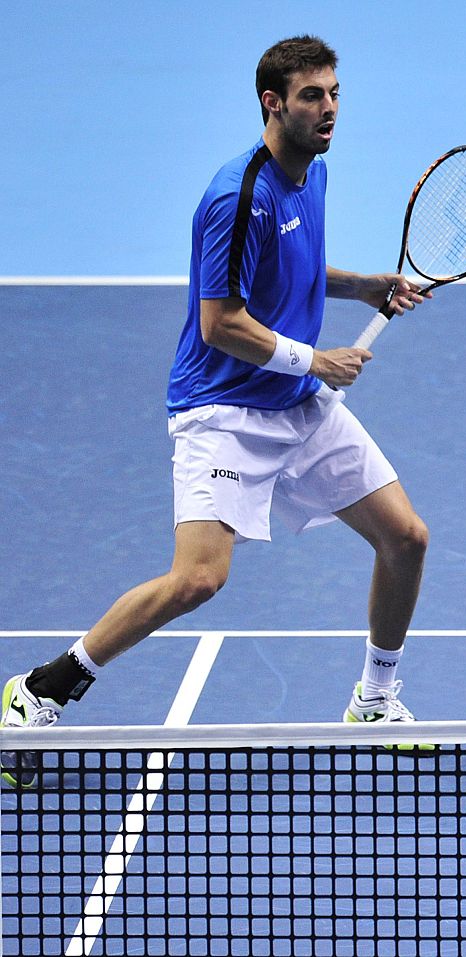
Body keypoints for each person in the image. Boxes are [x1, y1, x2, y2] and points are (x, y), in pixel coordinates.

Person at [2, 35, 435, 788]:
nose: (329, 108)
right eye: (312, 96)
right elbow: (219, 322)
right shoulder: (237, 197)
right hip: (224, 408)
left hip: (297, 404)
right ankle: (41, 688)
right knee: (198, 579)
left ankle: (375, 697)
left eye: (334, 92)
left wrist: (362, 284)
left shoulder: (314, 176)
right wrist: (317, 359)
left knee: (407, 537)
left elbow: (292, 265)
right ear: (274, 102)